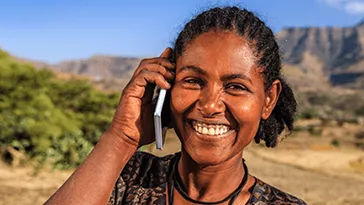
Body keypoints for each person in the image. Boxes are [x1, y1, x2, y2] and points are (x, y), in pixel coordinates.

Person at [45, 6, 307, 205]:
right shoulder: (126, 179)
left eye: (236, 87)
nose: (209, 104)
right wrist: (122, 137)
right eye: (193, 80)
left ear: (269, 99)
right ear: (166, 86)